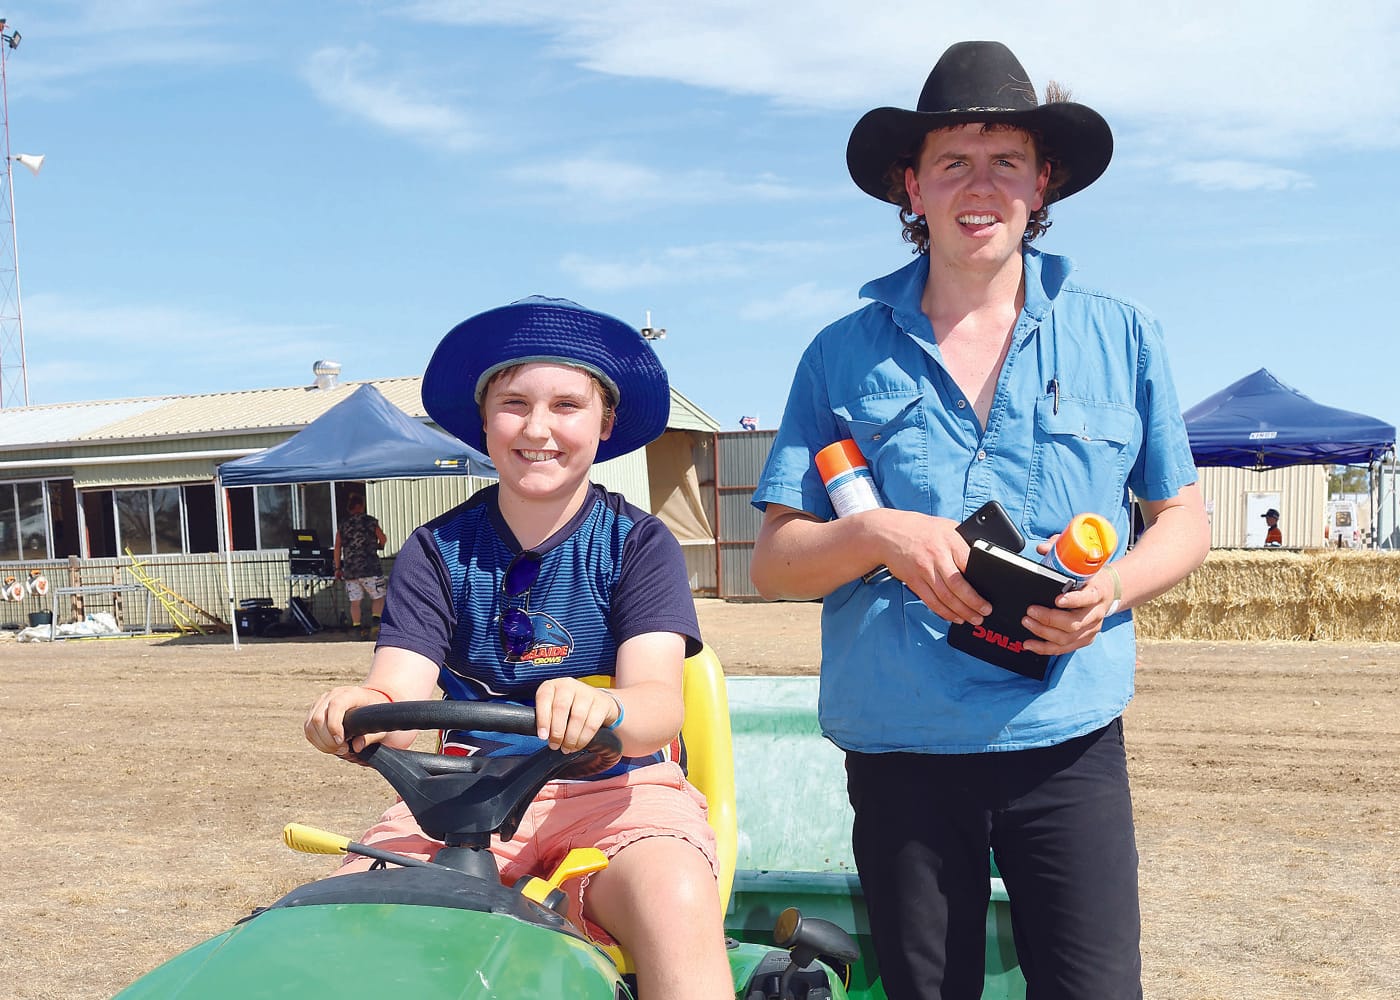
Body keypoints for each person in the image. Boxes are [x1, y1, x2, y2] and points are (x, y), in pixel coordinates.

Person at [750, 41, 1211, 1000]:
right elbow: (778, 564)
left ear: (1043, 184)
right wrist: (878, 535)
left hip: (1067, 736)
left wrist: (1111, 588)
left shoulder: (1121, 333)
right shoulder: (838, 357)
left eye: (1007, 161)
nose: (980, 184)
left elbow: (1185, 519)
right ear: (907, 188)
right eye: (952, 160)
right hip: (902, 746)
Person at [305, 297, 733, 1000]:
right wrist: (361, 706)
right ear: (485, 421)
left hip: (615, 796)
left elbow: (658, 708)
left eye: (567, 404)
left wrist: (605, 707)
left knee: (676, 894)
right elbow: (401, 699)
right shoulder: (436, 551)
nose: (538, 428)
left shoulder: (638, 545)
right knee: (340, 922)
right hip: (458, 803)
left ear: (606, 422)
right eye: (514, 404)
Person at [333, 492, 387, 639]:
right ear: (361, 506)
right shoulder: (370, 521)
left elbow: (337, 547)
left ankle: (357, 628)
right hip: (371, 568)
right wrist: (379, 545)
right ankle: (376, 623)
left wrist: (338, 568)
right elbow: (383, 538)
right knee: (378, 597)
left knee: (355, 602)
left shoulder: (343, 525)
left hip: (351, 570)